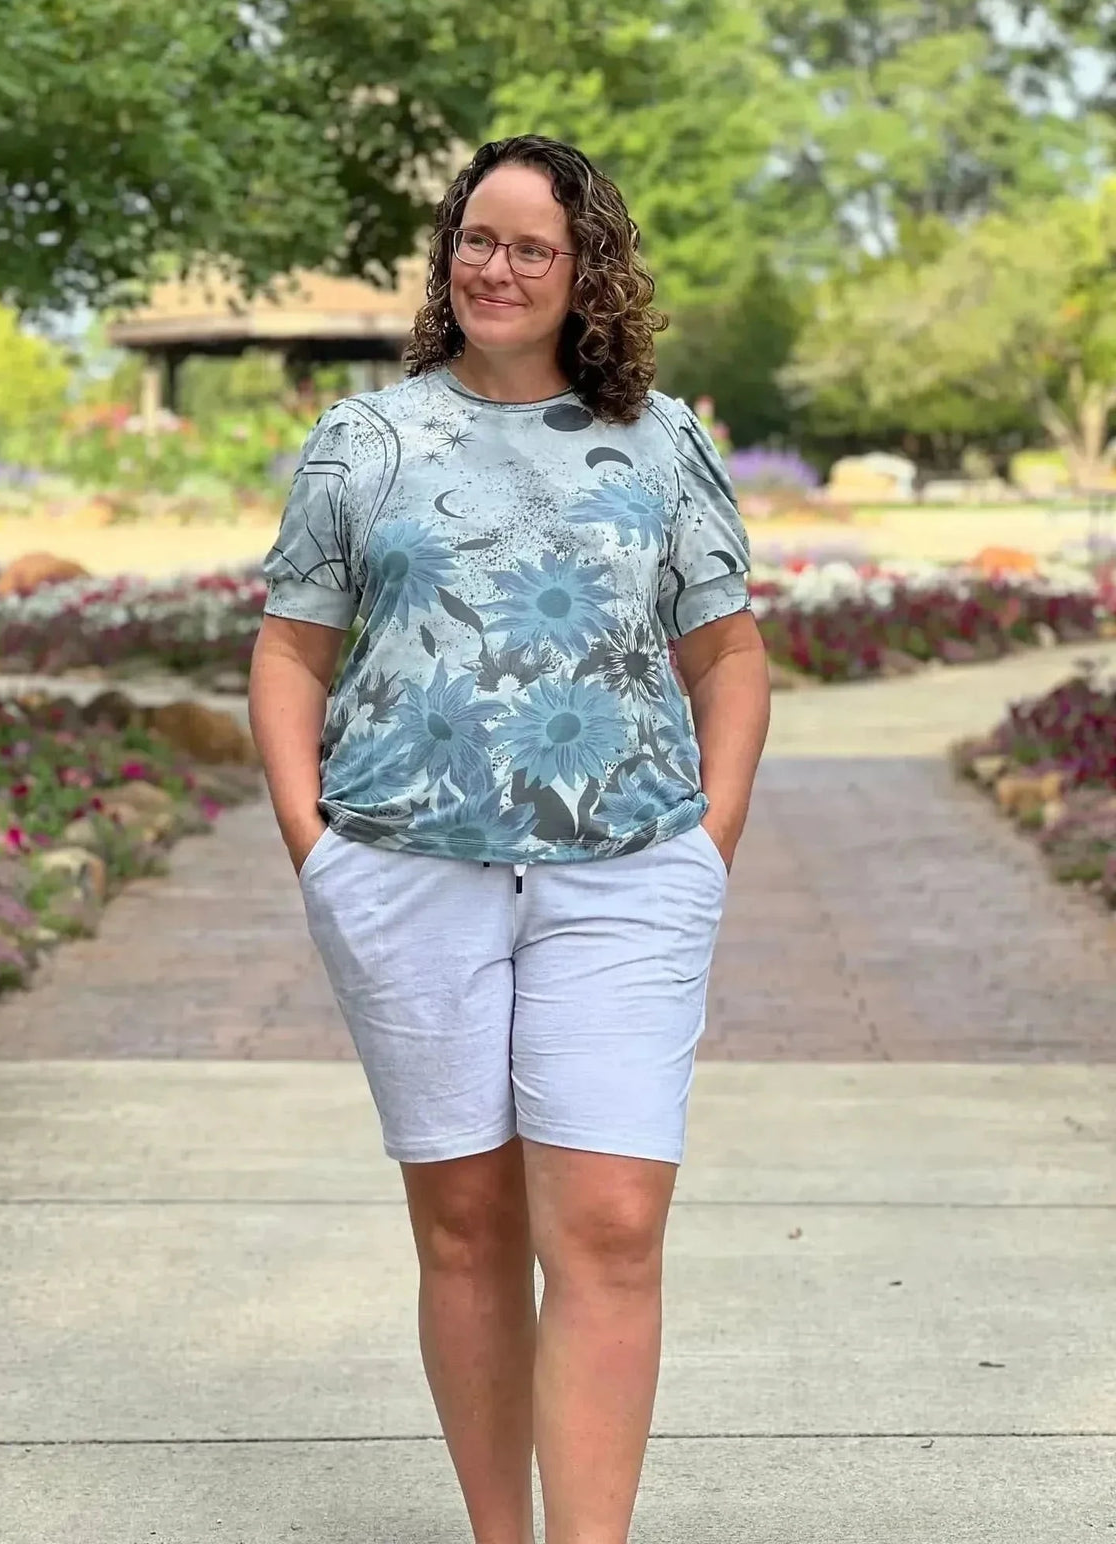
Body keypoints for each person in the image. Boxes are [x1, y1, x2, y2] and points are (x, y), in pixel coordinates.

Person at [248, 134, 771, 1544]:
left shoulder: (660, 443)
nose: (498, 266)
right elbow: (291, 653)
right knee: (467, 1228)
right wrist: (320, 853)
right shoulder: (368, 440)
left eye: (533, 245)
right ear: (448, 253)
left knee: (607, 1224)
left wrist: (706, 850)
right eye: (478, 238)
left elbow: (728, 659)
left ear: (586, 268)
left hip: (630, 874)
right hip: (404, 877)